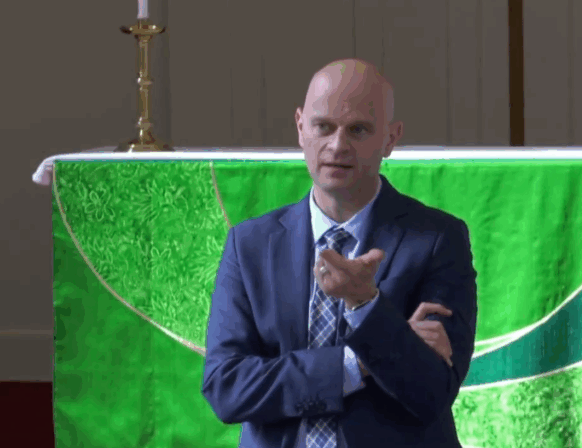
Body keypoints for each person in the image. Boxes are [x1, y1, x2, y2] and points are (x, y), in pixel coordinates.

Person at [202, 58, 478, 448]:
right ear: (300, 127)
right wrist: (361, 360)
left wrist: (365, 303)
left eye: (358, 130)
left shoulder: (438, 239)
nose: (337, 145)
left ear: (391, 139)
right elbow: (225, 388)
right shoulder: (249, 245)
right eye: (323, 127)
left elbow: (432, 392)